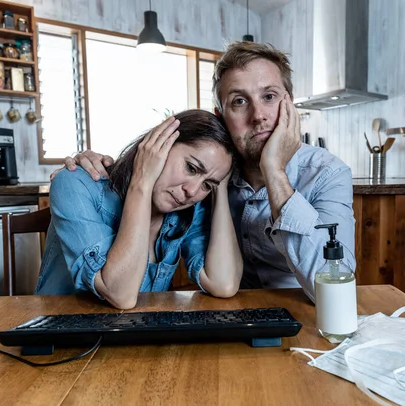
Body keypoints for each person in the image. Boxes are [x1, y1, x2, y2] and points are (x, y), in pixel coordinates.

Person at [55, 41, 355, 303]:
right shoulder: (198, 184)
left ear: (290, 104)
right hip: (233, 315)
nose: (259, 116)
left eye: (269, 97)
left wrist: (274, 172)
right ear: (221, 117)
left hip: (305, 310)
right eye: (239, 101)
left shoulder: (327, 174)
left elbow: (335, 288)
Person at [36, 110, 242, 309]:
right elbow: (120, 294)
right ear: (159, 145)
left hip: (135, 340)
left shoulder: (187, 211)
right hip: (64, 340)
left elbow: (223, 284)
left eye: (207, 184)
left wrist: (219, 187)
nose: (192, 190)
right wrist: (142, 180)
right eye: (191, 168)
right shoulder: (75, 183)